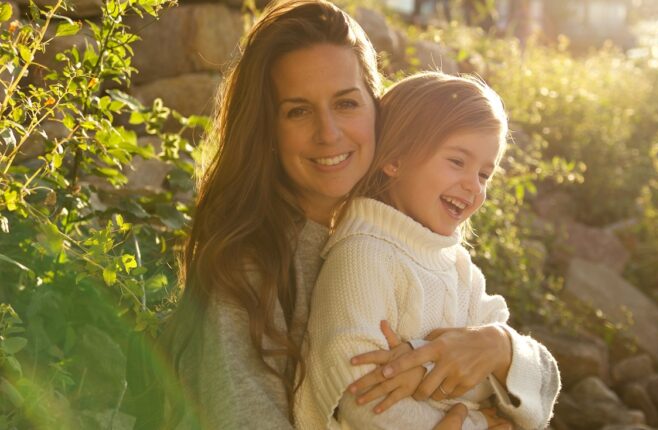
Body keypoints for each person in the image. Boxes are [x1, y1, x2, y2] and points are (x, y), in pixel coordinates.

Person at [157, 1, 529, 429]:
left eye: (346, 104)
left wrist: (500, 349)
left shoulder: (408, 244)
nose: (328, 133)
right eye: (298, 111)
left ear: (377, 109)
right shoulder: (247, 272)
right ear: (268, 131)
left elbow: (527, 384)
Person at [295, 72, 560, 430]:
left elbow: (528, 403)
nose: (473, 186)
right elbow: (362, 402)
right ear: (395, 160)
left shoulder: (460, 268)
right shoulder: (361, 258)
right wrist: (478, 421)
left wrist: (431, 369)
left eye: (484, 174)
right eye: (456, 161)